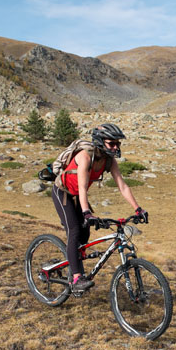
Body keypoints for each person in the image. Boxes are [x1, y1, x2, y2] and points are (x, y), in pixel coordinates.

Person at [51, 123, 148, 291]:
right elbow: (81, 187)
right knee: (74, 230)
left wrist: (138, 208)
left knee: (85, 233)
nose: (116, 147)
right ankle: (76, 278)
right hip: (63, 192)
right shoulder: (85, 157)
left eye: (118, 143)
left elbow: (122, 186)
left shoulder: (109, 161)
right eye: (112, 143)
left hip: (78, 195)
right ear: (100, 142)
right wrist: (87, 213)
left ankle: (74, 263)